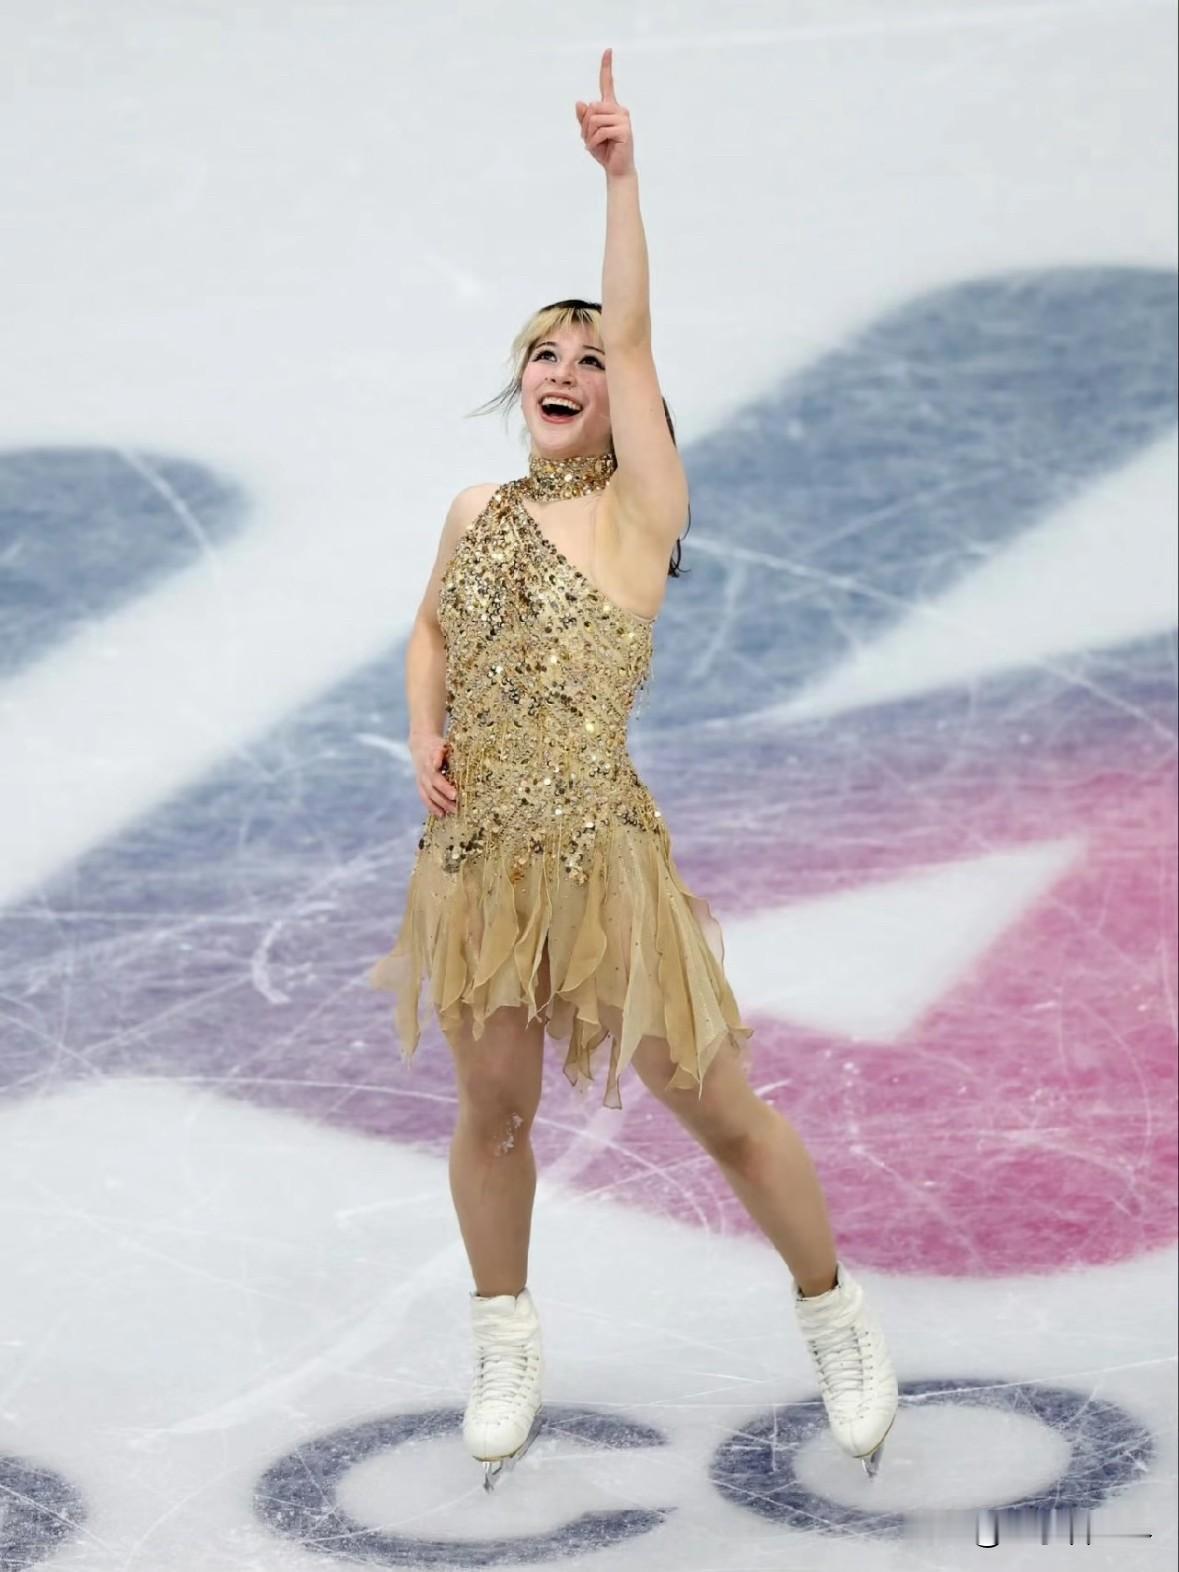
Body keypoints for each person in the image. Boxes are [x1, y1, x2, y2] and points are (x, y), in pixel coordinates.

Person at [369, 47, 898, 1491]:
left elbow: (642, 333)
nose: (569, 371)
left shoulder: (636, 517)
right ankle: (504, 1336)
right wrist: (424, 729)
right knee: (493, 1113)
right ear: (519, 381)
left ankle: (834, 1311)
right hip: (475, 862)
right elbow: (430, 631)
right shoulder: (476, 508)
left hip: (602, 860)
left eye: (593, 362)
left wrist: (622, 179)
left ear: (628, 406)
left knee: (717, 1108)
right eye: (548, 353)